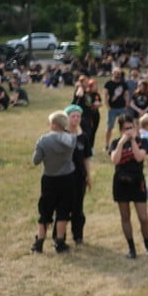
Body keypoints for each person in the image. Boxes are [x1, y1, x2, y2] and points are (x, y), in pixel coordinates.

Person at [31, 111, 77, 254]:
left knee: (45, 210)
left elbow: (36, 161)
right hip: (67, 177)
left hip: (49, 178)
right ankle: (60, 241)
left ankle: (39, 242)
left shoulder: (43, 140)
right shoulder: (71, 139)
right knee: (63, 210)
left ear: (54, 124)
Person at [109, 114, 148, 258]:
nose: (128, 131)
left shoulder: (143, 141)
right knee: (125, 216)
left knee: (143, 217)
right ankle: (131, 248)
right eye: (125, 128)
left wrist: (133, 140)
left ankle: (147, 246)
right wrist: (122, 142)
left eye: (131, 127)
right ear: (120, 129)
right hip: (121, 182)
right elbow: (115, 160)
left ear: (135, 127)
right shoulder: (116, 142)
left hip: (137, 182)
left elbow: (140, 157)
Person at [65, 104, 92, 245]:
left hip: (79, 177)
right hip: (64, 176)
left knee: (78, 207)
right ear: (67, 118)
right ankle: (59, 236)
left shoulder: (83, 137)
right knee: (63, 206)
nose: (76, 119)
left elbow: (86, 158)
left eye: (78, 116)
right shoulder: (62, 135)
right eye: (73, 116)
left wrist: (89, 176)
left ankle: (78, 235)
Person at [103, 68, 130, 150]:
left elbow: (126, 94)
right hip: (112, 109)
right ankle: (107, 145)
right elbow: (105, 95)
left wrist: (126, 104)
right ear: (112, 73)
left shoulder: (123, 83)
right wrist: (108, 106)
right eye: (115, 73)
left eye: (118, 73)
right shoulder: (108, 83)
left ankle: (124, 144)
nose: (117, 74)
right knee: (109, 127)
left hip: (122, 108)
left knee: (124, 127)